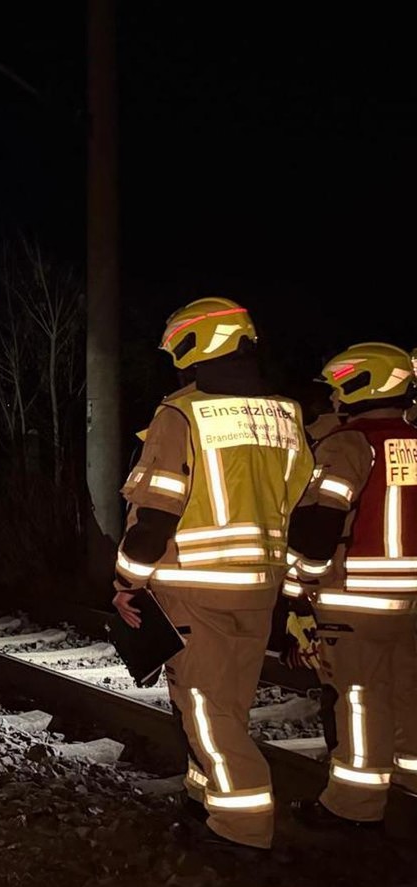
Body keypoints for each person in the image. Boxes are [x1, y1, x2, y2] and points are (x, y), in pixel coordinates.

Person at [111, 298, 312, 852]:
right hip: (261, 586)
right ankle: (203, 797)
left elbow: (154, 519)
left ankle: (241, 828)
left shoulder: (181, 414)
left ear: (194, 344)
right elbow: (299, 507)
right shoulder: (288, 415)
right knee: (230, 700)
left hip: (195, 588)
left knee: (203, 706)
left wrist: (128, 583)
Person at [284, 342, 417, 827]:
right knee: (408, 692)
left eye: (340, 381)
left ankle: (353, 807)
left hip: (355, 599)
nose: (335, 393)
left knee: (361, 699)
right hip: (410, 600)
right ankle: (409, 781)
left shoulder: (347, 443)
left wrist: (298, 589)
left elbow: (321, 526)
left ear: (362, 383)